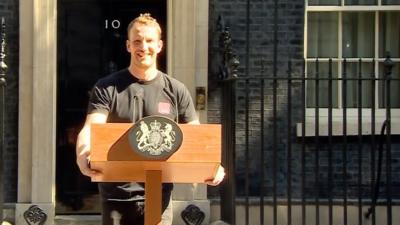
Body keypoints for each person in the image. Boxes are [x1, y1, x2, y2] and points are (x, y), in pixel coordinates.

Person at [75, 13, 225, 225]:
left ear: (160, 45)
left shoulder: (176, 90)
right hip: (116, 195)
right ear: (128, 45)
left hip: (159, 196)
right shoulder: (107, 87)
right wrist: (82, 151)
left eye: (149, 41)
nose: (143, 47)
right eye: (137, 41)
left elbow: (196, 139)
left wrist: (212, 166)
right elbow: (92, 128)